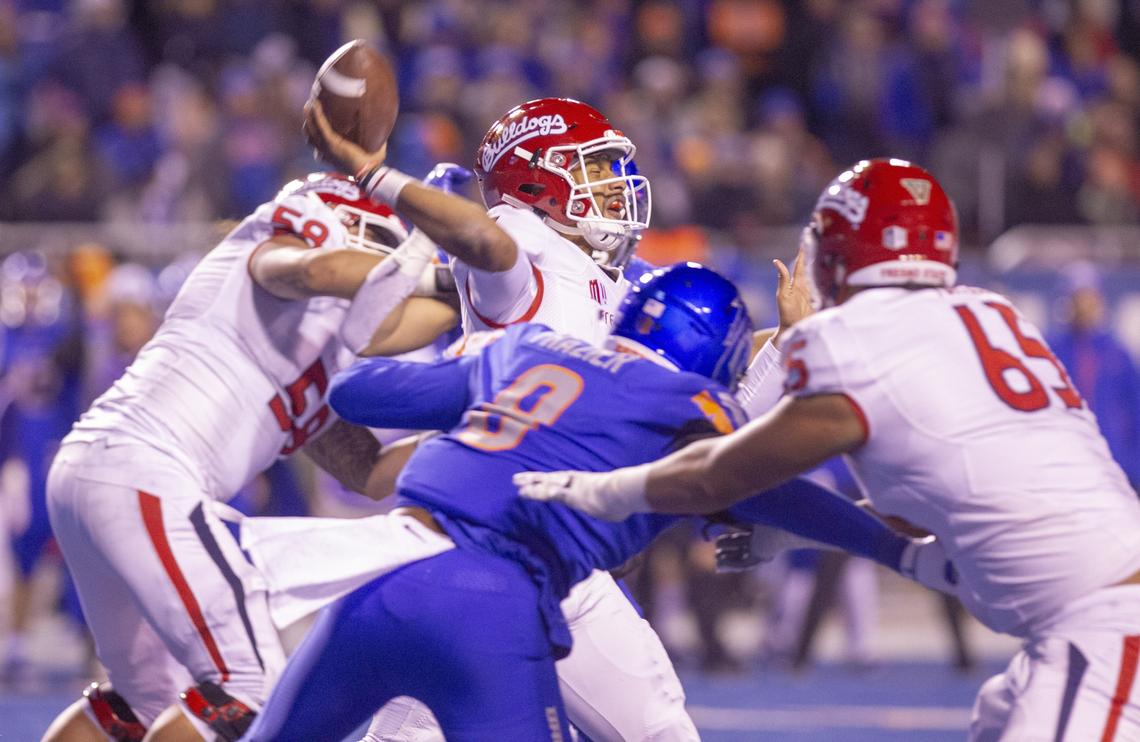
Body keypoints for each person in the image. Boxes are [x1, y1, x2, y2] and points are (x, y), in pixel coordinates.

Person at [517, 158, 1140, 742]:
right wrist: (794, 534)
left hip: (1103, 627)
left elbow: (724, 470)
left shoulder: (853, 338)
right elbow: (931, 498)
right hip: (1094, 611)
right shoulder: (991, 313)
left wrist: (600, 491)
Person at [240, 263, 940, 742]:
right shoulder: (688, 405)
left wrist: (472, 373)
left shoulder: (527, 350)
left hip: (383, 582)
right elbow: (772, 491)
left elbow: (351, 394)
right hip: (491, 604)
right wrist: (895, 549)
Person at [306, 96, 702, 741]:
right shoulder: (524, 244)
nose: (616, 185)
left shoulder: (602, 278)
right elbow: (486, 245)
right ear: (537, 179)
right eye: (595, 169)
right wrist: (384, 179)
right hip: (508, 540)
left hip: (534, 545)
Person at [42, 172, 456, 742]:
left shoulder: (312, 346)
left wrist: (477, 433)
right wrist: (429, 259)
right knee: (248, 688)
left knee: (140, 704)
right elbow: (323, 271)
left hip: (103, 471)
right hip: (143, 474)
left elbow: (371, 473)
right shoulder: (273, 257)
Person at [1047, 261, 1140, 490]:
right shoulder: (1050, 349)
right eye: (1078, 298)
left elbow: (1135, 410)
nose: (1084, 306)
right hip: (1067, 463)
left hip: (1116, 464)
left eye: (1089, 297)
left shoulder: (1116, 352)